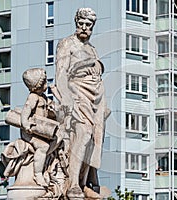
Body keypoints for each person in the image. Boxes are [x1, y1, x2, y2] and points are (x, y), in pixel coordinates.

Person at [54, 8, 110, 198]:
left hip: (96, 97)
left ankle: (85, 182)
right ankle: (73, 184)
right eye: (82, 24)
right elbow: (61, 73)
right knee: (83, 134)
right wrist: (65, 99)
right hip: (76, 93)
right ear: (76, 23)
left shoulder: (92, 49)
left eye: (89, 25)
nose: (85, 28)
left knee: (95, 140)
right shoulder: (67, 44)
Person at [21, 68, 56, 187]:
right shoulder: (33, 97)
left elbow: (50, 112)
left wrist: (52, 111)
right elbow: (26, 109)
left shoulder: (44, 97)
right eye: (44, 83)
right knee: (43, 147)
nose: (46, 85)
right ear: (37, 85)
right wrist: (25, 124)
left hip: (42, 131)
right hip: (31, 131)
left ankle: (46, 165)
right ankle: (38, 174)